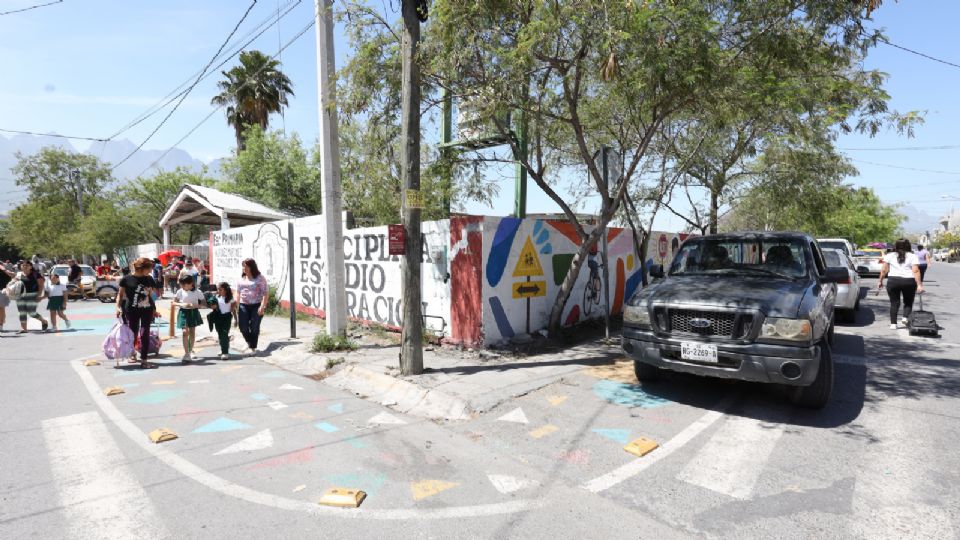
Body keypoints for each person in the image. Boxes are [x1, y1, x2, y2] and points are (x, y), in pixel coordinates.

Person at [116, 258, 159, 368]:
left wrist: (154, 308)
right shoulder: (126, 279)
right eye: (149, 268)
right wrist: (117, 307)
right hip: (131, 310)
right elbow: (120, 295)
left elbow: (152, 296)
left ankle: (144, 359)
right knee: (133, 333)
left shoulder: (149, 279)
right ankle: (132, 353)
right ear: (142, 268)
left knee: (144, 333)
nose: (150, 271)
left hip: (147, 310)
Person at [878, 238, 924, 330]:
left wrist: (880, 281)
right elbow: (915, 270)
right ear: (908, 246)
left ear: (896, 246)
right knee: (908, 301)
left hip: (893, 281)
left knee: (894, 303)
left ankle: (893, 324)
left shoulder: (889, 255)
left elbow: (884, 270)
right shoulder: (912, 256)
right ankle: (905, 318)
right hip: (909, 281)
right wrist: (919, 284)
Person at [237, 258, 268, 356]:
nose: (244, 268)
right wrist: (235, 305)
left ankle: (252, 347)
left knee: (254, 327)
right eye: (243, 266)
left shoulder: (260, 278)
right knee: (243, 327)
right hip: (243, 305)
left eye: (246, 266)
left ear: (251, 267)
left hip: (256, 305)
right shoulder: (241, 279)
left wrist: (262, 306)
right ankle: (249, 342)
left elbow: (265, 293)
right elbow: (238, 293)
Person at [173, 275, 205, 362]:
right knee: (184, 332)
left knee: (192, 332)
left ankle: (191, 350)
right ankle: (186, 354)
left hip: (193, 312)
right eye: (182, 285)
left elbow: (203, 303)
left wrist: (195, 305)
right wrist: (182, 304)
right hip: (183, 312)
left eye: (184, 285)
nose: (182, 287)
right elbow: (173, 302)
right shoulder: (180, 291)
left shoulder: (197, 292)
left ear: (191, 284)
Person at [12, 260, 49, 333]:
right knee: (22, 312)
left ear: (31, 267)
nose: (25, 266)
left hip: (32, 295)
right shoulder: (19, 274)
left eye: (27, 265)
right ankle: (24, 329)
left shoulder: (35, 274)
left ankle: (44, 321)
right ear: (21, 266)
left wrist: (39, 295)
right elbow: (14, 284)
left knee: (32, 312)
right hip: (20, 296)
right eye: (23, 265)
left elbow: (41, 285)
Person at [207, 282, 237, 360]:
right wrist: (212, 306)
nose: (218, 291)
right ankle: (223, 347)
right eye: (218, 289)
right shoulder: (216, 297)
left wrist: (236, 319)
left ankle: (225, 353)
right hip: (218, 317)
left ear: (226, 290)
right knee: (220, 334)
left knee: (224, 333)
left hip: (227, 317)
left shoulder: (230, 299)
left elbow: (233, 310)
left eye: (220, 289)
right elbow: (212, 306)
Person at [0, 265, 11, 333]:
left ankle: (1, 325)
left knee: (1, 308)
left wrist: (3, 269)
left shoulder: (3, 267)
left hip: (2, 290)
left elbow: (12, 275)